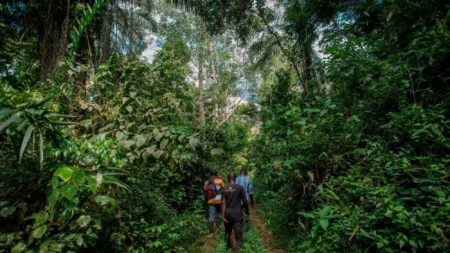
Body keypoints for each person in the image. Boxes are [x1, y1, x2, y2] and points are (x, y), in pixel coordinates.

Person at [222, 172, 248, 252]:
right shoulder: (240, 188)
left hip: (227, 214)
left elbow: (223, 203)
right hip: (237, 214)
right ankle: (236, 250)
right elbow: (245, 201)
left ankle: (228, 248)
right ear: (235, 178)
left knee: (228, 233)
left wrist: (223, 216)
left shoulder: (224, 189)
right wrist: (246, 210)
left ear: (228, 179)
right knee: (239, 237)